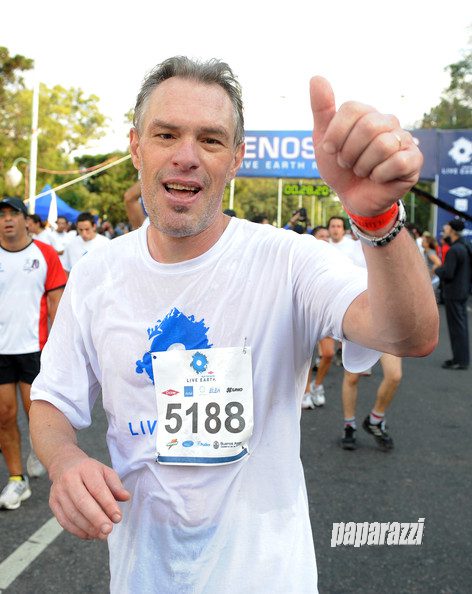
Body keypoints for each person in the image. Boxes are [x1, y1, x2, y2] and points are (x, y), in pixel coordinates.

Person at [29, 57, 437, 593]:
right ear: (136, 147)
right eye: (166, 134)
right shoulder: (97, 274)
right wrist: (64, 461)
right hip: (141, 576)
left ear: (237, 157)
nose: (186, 156)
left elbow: (409, 334)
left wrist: (378, 218)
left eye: (211, 140)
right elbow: (52, 401)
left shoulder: (288, 260)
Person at [0, 197, 66, 510]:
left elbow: (56, 304)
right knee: (4, 416)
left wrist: (62, 347)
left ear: (26, 220)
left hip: (35, 349)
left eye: (13, 213)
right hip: (1, 351)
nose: (7, 219)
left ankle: (39, 451)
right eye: (2, 215)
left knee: (36, 413)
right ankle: (17, 479)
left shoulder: (45, 254)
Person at [302, 225, 334, 408]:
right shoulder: (304, 258)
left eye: (327, 236)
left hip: (326, 313)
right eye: (321, 236)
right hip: (305, 312)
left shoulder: (335, 259)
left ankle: (317, 385)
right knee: (306, 356)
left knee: (328, 354)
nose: (325, 238)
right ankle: (305, 390)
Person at [433, 219, 470, 370]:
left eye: (447, 228)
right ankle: (460, 359)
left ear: (453, 231)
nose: (444, 230)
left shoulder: (455, 250)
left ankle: (459, 361)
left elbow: (448, 273)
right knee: (461, 327)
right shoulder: (464, 246)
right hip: (462, 291)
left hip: (454, 293)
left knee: (457, 328)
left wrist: (436, 270)